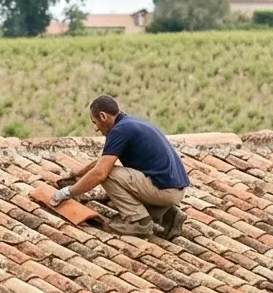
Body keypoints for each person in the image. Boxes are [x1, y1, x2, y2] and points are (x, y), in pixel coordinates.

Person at [55, 95, 188, 238]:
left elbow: (101, 172)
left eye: (95, 122)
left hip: (164, 191)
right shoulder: (129, 123)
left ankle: (139, 222)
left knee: (107, 175)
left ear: (103, 116)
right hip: (175, 190)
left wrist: (68, 192)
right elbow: (103, 160)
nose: (95, 129)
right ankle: (168, 215)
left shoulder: (119, 131)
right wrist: (77, 174)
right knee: (112, 180)